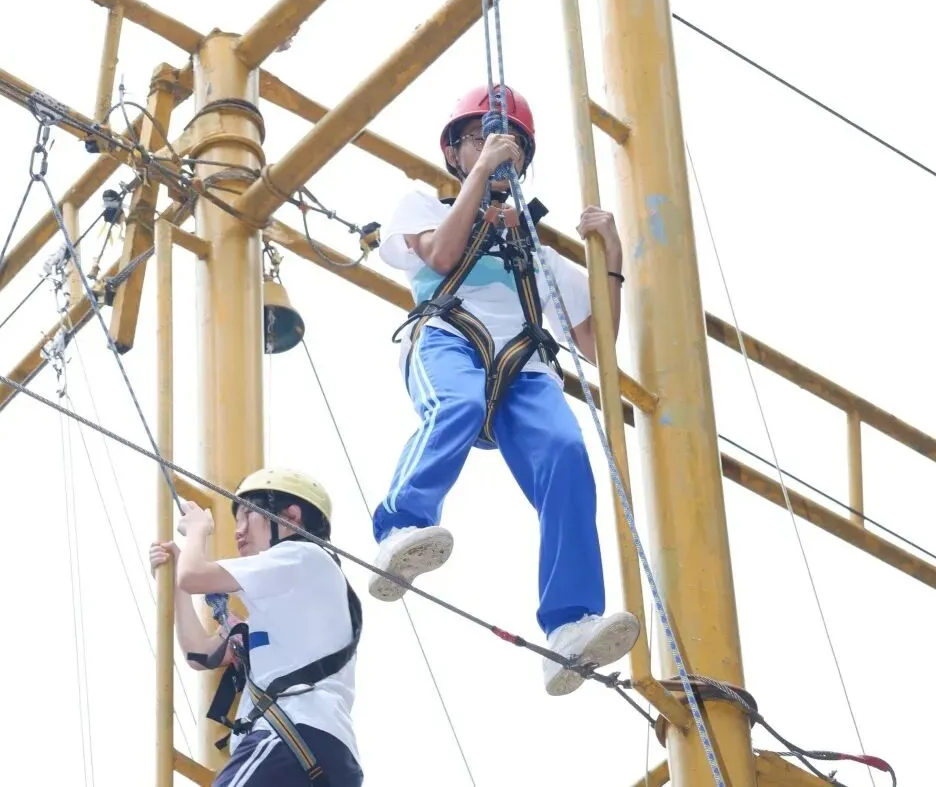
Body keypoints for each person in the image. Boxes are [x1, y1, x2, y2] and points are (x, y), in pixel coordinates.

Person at [369, 84, 639, 697]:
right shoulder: (420, 206)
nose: (494, 147)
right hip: (450, 337)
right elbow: (440, 254)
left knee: (568, 458)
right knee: (456, 405)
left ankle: (569, 623)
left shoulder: (535, 253)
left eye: (509, 142)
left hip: (525, 363)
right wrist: (482, 178)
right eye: (478, 138)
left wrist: (612, 258)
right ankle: (399, 526)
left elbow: (599, 345)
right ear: (455, 152)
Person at [149, 468, 363, 786]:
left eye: (249, 515)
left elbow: (194, 576)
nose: (239, 531)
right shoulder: (289, 613)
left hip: (290, 738)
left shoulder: (302, 555)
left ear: (290, 517)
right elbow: (200, 652)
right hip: (322, 753)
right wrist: (178, 579)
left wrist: (197, 531)